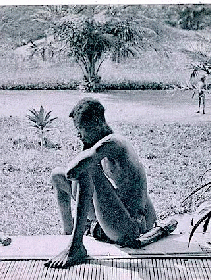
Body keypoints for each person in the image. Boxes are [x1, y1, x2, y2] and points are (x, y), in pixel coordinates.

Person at [45, 98, 157, 269]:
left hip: (131, 227)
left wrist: (85, 151)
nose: (80, 136)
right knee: (57, 177)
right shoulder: (97, 147)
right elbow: (69, 177)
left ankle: (76, 247)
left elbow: (74, 170)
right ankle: (68, 235)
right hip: (112, 219)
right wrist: (86, 146)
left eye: (81, 131)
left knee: (86, 169)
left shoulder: (114, 143)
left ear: (98, 124)